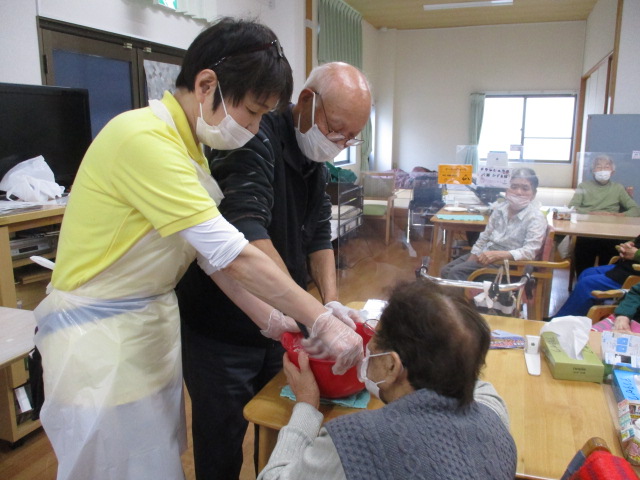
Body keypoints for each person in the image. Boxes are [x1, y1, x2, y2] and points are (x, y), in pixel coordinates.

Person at [33, 18, 362, 480]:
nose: (252, 129)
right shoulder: (142, 139)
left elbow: (208, 259)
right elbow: (233, 252)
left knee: (154, 463)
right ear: (207, 84)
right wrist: (319, 317)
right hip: (99, 344)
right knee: (112, 468)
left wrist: (267, 317)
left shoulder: (189, 150)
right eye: (251, 113)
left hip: (145, 335)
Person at [176, 62, 373, 480]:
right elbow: (245, 234)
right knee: (221, 444)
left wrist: (330, 302)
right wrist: (311, 315)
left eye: (350, 138)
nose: (339, 143)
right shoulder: (255, 137)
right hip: (221, 328)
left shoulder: (313, 157)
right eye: (336, 130)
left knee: (278, 429)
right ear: (306, 101)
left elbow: (320, 233)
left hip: (281, 321)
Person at [257, 279, 517, 480]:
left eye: (375, 341)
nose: (367, 345)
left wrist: (305, 405)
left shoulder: (354, 444)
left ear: (392, 366)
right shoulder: (494, 414)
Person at [440, 167, 547, 280]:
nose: (518, 192)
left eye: (525, 188)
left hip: (511, 265)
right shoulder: (500, 209)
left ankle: (463, 297)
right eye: (514, 187)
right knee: (446, 271)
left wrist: (500, 254)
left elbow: (529, 252)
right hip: (487, 255)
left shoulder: (536, 218)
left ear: (534, 194)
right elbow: (484, 237)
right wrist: (473, 256)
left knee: (456, 273)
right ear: (507, 190)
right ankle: (464, 297)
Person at [569, 154, 640, 275]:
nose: (602, 170)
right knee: (583, 252)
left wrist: (619, 215)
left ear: (612, 172)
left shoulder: (618, 188)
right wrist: (592, 213)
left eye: (606, 167)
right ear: (592, 171)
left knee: (610, 252)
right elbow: (572, 208)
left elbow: (635, 209)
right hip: (587, 230)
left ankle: (603, 284)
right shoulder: (584, 186)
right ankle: (582, 279)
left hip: (611, 232)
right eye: (598, 167)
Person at [554, 234, 640, 317]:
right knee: (587, 273)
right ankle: (582, 318)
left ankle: (562, 320)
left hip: (635, 271)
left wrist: (636, 254)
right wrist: (628, 245)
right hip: (628, 265)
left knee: (587, 284)